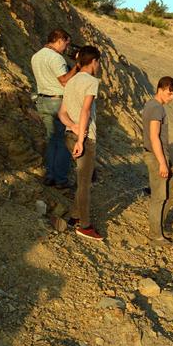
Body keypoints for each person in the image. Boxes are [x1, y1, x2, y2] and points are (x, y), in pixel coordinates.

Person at [57, 46, 103, 241]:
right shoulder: (92, 81)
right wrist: (82, 139)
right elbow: (85, 111)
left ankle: (74, 216)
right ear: (94, 62)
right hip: (84, 138)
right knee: (84, 183)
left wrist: (73, 127)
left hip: (70, 134)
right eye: (98, 62)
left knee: (84, 179)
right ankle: (84, 225)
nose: (99, 66)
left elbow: (62, 113)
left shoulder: (72, 80)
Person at [31, 29, 78, 189]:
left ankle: (50, 175)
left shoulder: (36, 56)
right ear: (59, 40)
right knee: (64, 142)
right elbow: (64, 81)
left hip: (42, 100)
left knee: (52, 140)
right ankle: (61, 179)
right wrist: (77, 67)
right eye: (66, 43)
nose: (66, 47)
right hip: (58, 102)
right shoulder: (56, 58)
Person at [142, 76, 173, 247]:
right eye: (170, 94)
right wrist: (163, 163)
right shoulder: (156, 108)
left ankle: (159, 227)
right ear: (161, 89)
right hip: (157, 157)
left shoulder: (152, 105)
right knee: (159, 196)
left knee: (172, 192)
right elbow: (154, 136)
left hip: (159, 156)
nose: (172, 98)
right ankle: (156, 236)